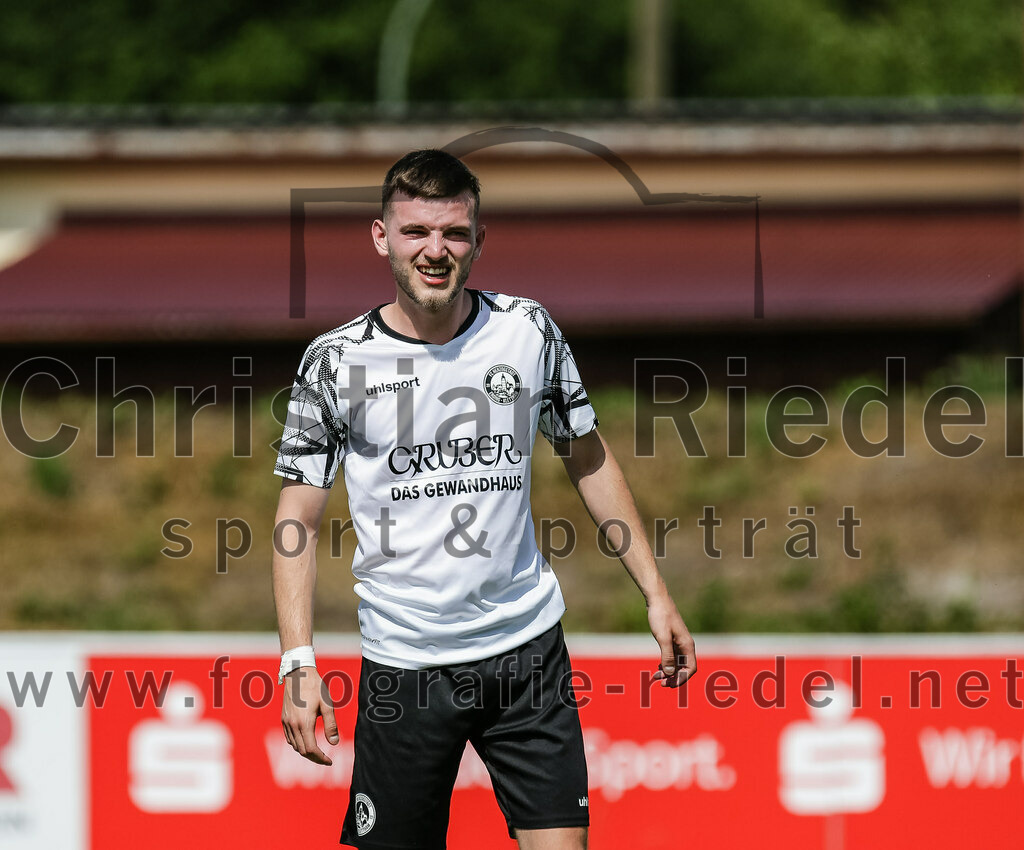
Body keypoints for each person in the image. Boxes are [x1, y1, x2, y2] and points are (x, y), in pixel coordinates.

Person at [272, 149, 696, 850]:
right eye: (415, 231)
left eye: (454, 232)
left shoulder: (527, 332)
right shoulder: (335, 361)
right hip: (405, 665)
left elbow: (587, 456)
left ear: (479, 240)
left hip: (526, 652)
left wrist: (655, 591)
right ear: (382, 237)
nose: (434, 250)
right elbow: (298, 519)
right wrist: (298, 659)